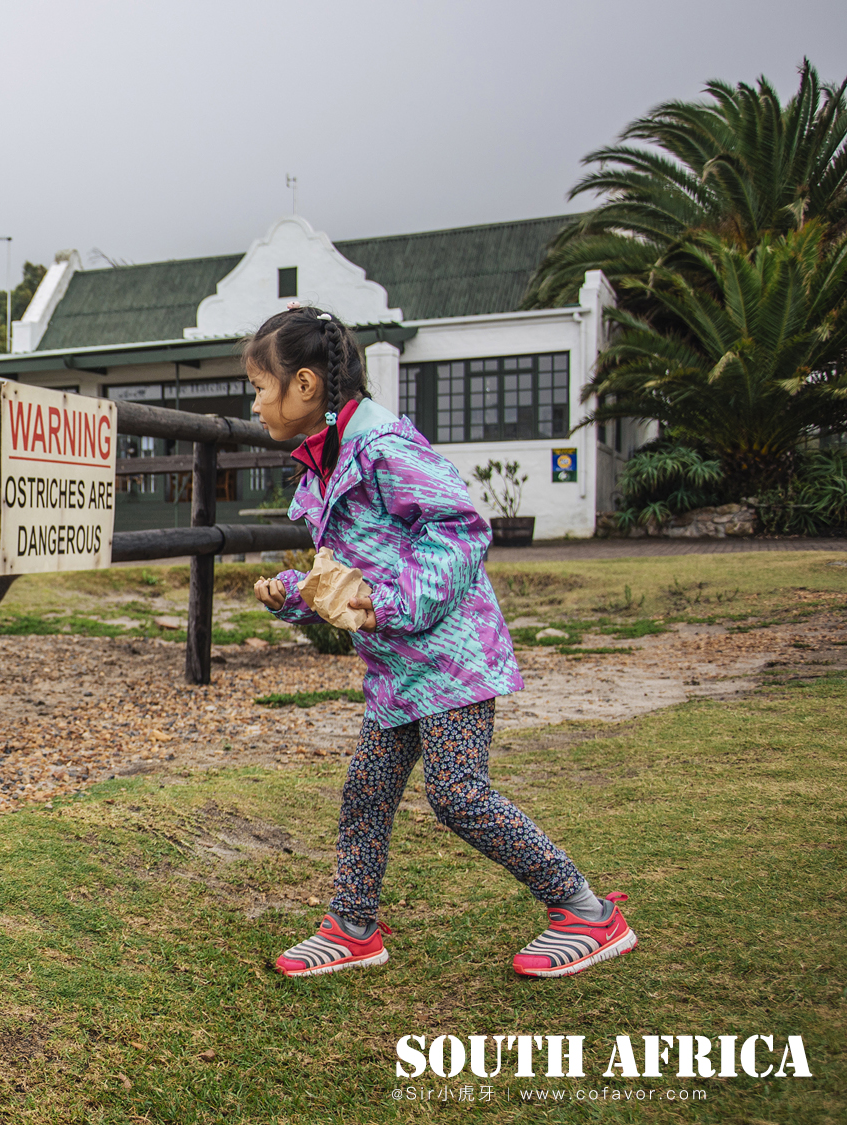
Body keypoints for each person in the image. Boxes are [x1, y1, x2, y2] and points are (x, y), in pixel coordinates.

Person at [244, 305, 635, 979]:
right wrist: (297, 591)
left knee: (457, 793)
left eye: (259, 385)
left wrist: (389, 601)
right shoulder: (323, 471)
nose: (254, 403)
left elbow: (459, 531)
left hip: (452, 660)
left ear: (305, 385)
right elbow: (348, 575)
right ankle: (354, 926)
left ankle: (588, 913)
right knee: (366, 792)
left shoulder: (386, 450)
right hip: (397, 670)